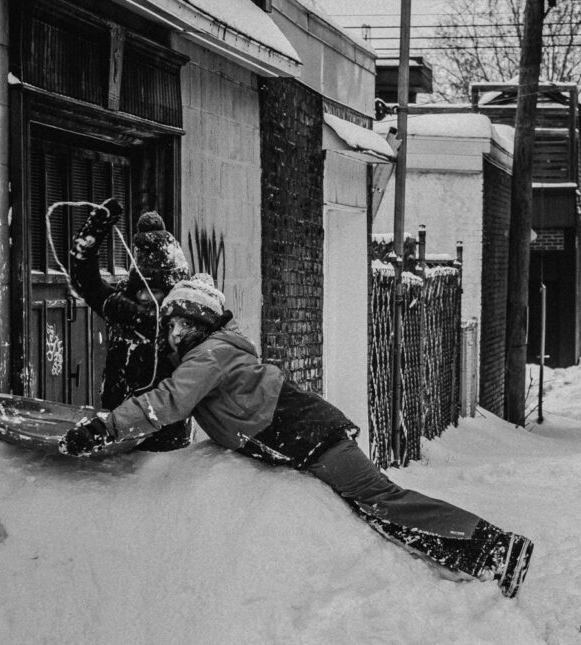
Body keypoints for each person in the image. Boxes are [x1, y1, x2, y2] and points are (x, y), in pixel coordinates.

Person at [59, 274, 535, 598]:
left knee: (381, 499)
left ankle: (495, 548)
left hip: (310, 436)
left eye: (179, 323)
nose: (172, 333)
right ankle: (481, 559)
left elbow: (167, 401)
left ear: (198, 322)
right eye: (172, 325)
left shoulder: (208, 356)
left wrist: (105, 427)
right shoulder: (210, 354)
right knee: (376, 508)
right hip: (303, 437)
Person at [69, 199, 193, 451]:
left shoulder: (185, 329)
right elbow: (87, 284)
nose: (144, 297)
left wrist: (131, 314)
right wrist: (90, 239)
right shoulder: (124, 310)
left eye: (154, 290)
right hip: (114, 432)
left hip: (165, 444)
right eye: (139, 290)